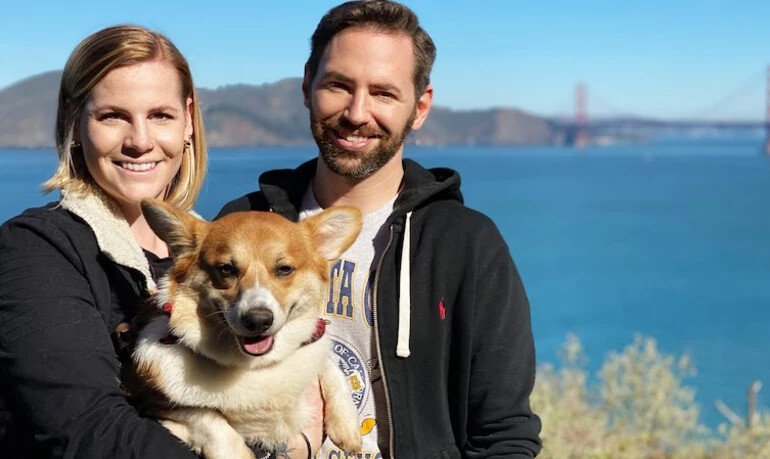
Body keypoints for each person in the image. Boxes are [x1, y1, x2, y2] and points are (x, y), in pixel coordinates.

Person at [218, 1, 543, 457]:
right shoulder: (239, 227)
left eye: (384, 94)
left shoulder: (465, 245)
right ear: (308, 84)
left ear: (420, 106)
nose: (356, 112)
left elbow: (504, 435)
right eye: (338, 85)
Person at [0, 25, 210, 458]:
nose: (139, 141)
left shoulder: (212, 255)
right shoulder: (37, 249)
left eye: (161, 115)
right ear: (75, 122)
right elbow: (88, 430)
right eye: (113, 115)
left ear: (188, 120)